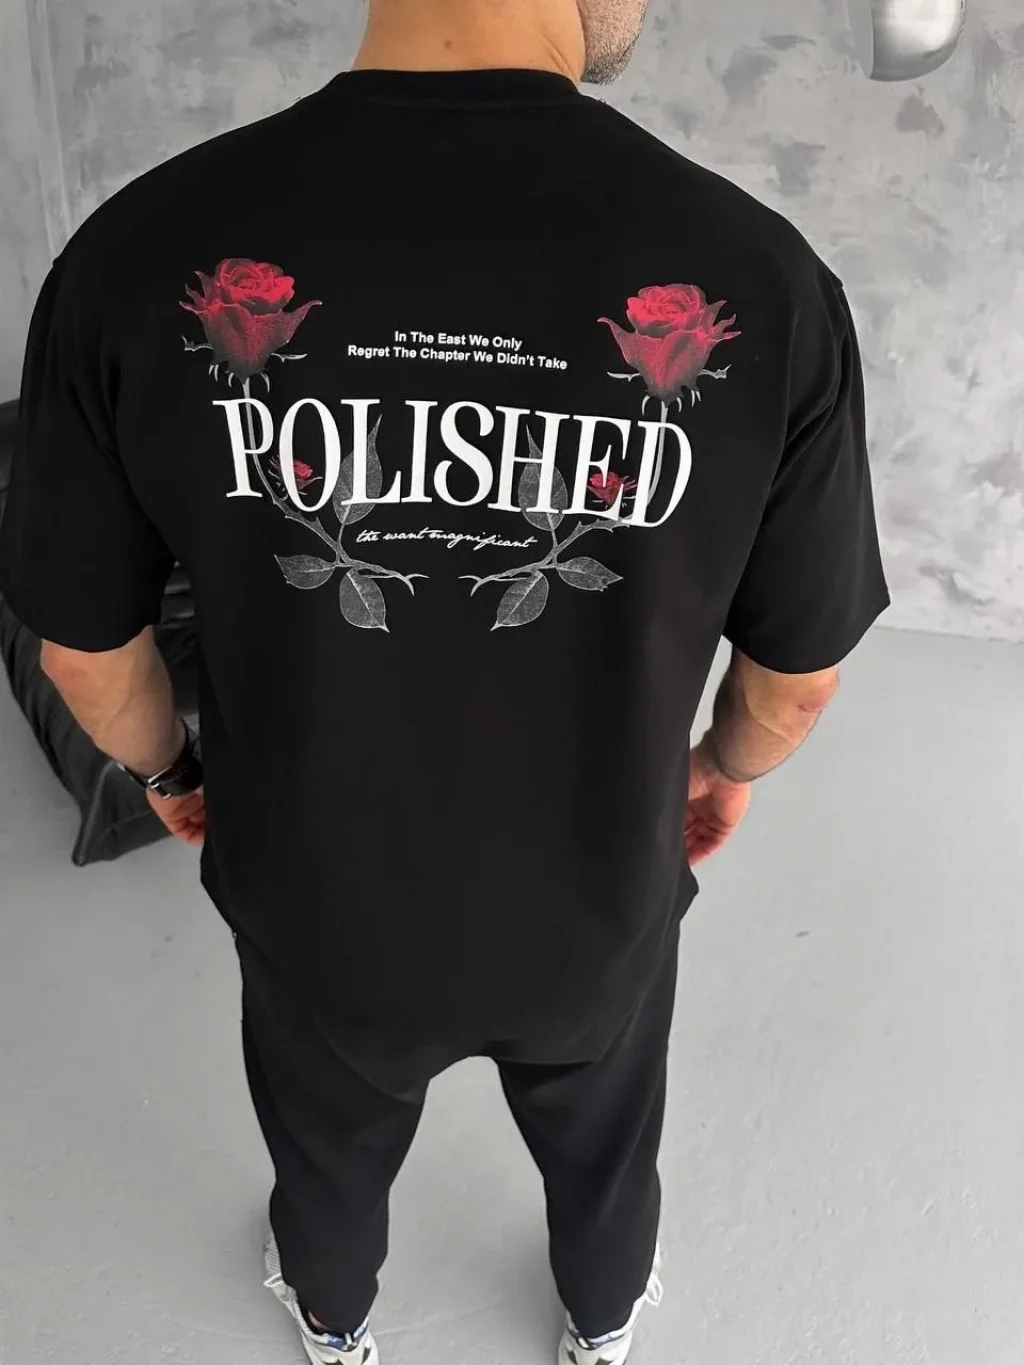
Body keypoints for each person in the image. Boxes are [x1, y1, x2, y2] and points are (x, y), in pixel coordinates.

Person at [0, 1, 890, 1362]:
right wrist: (720, 772)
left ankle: (334, 1317)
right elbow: (797, 677)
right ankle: (603, 1320)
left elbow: (81, 644)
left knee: (325, 1147)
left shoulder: (135, 250)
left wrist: (173, 773)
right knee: (604, 1140)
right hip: (597, 898)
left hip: (316, 901)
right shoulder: (761, 279)